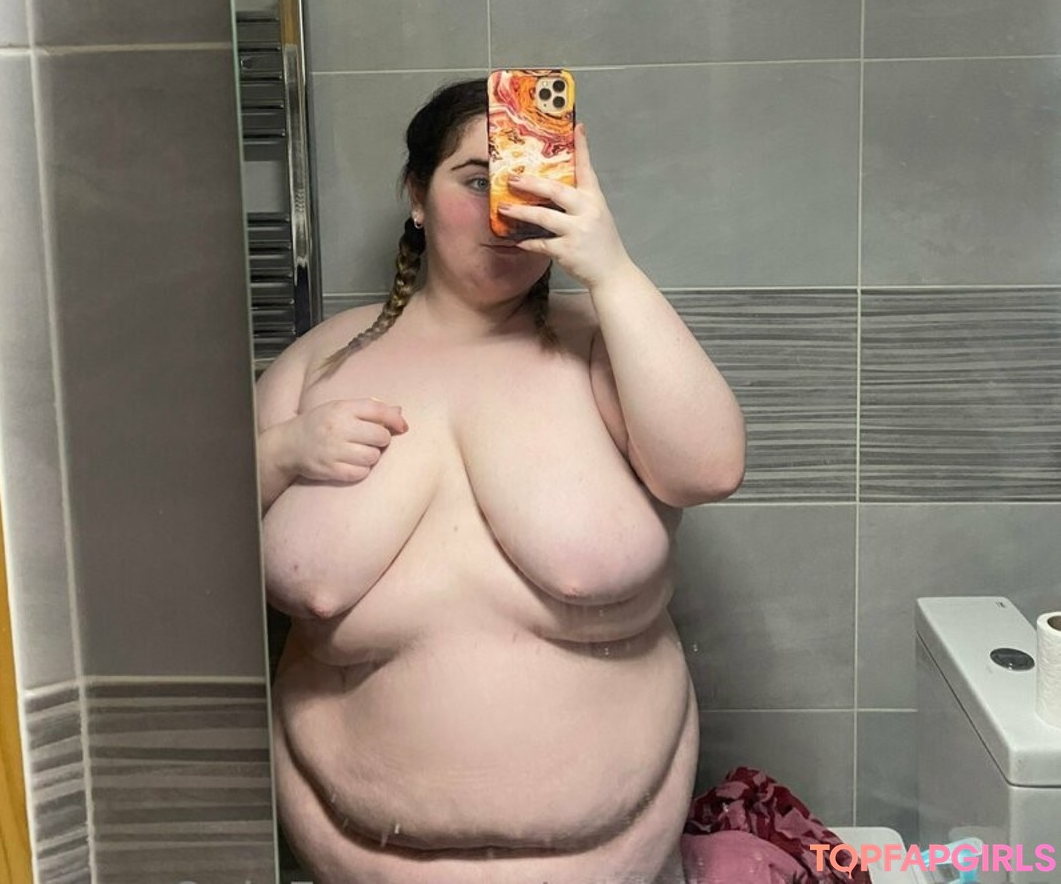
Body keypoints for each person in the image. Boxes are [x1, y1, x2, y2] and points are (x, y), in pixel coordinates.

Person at [255, 79, 747, 884]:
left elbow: (709, 469)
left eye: (530, 179)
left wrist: (612, 270)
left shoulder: (610, 349)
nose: (502, 211)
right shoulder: (318, 363)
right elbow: (189, 545)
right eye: (477, 179)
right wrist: (279, 453)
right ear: (417, 196)